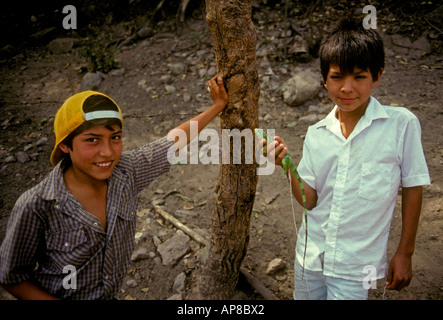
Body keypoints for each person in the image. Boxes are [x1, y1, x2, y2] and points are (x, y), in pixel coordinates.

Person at [0, 76, 228, 300]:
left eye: (115, 137)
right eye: (92, 140)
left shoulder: (127, 172)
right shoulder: (36, 205)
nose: (108, 152)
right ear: (65, 145)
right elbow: (12, 277)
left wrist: (218, 106)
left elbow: (172, 141)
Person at [264, 17, 430, 299]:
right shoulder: (317, 133)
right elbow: (310, 200)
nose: (347, 88)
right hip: (310, 258)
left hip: (355, 267)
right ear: (324, 79)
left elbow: (413, 187)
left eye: (359, 77)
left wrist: (405, 252)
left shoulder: (401, 125)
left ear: (377, 76)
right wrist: (287, 166)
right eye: (337, 76)